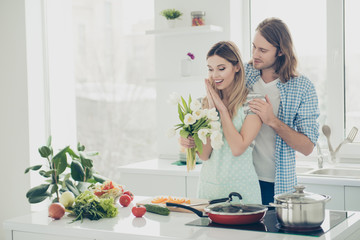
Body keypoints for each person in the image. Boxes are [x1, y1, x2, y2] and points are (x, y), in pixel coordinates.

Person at [246, 17, 320, 204]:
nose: (255, 54)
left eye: (263, 50)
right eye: (254, 47)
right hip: (242, 180)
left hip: (278, 186)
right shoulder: (243, 76)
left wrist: (273, 121)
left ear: (280, 51)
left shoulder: (302, 87)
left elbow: (307, 147)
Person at [180, 41, 263, 204]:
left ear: (237, 67)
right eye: (210, 69)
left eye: (221, 68)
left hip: (242, 192)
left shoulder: (253, 103)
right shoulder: (202, 104)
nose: (214, 75)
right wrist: (211, 110)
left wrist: (222, 110)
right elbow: (204, 155)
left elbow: (237, 148)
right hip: (208, 191)